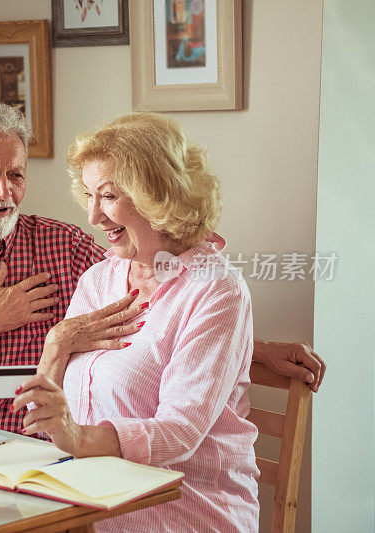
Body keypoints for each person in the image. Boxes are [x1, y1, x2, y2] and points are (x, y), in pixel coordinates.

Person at [0, 98, 325, 436]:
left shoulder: (65, 248)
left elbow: (160, 307)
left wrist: (255, 346)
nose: (5, 192)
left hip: (41, 445)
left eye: (16, 175)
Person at [13, 113, 261, 530]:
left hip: (181, 511)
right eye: (89, 196)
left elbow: (179, 432)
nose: (93, 216)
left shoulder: (217, 291)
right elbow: (50, 412)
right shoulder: (99, 279)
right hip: (88, 505)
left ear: (158, 195)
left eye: (108, 197)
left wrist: (79, 438)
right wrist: (56, 347)